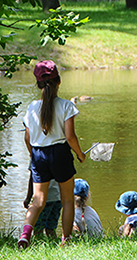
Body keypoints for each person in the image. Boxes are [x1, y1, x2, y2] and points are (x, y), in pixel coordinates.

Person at [18, 60, 86, 249]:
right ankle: (66, 241)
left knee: (38, 200)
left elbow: (27, 139)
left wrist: (34, 156)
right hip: (60, 153)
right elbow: (70, 137)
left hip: (38, 154)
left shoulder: (31, 107)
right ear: (59, 81)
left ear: (39, 84)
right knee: (67, 200)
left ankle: (25, 235)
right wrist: (80, 154)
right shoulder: (66, 106)